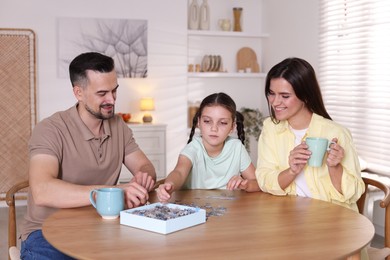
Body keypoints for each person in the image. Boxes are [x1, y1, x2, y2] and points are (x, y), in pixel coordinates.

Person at [20, 52, 156, 259]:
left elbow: (145, 166)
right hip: (46, 233)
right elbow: (42, 190)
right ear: (79, 93)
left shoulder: (118, 125)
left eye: (114, 90)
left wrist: (143, 177)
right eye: (102, 93)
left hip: (101, 227)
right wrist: (115, 192)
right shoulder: (50, 129)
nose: (111, 99)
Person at [256, 57, 365, 211]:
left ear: (305, 96)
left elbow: (353, 194)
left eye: (285, 96)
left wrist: (335, 168)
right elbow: (264, 180)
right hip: (288, 218)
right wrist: (292, 171)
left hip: (333, 221)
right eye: (271, 93)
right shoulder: (270, 129)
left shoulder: (336, 133)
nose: (275, 102)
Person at [156, 92, 260, 203]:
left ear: (232, 127)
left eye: (223, 123)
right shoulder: (192, 149)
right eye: (207, 121)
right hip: (195, 208)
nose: (214, 128)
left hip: (229, 212)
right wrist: (169, 184)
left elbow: (258, 182)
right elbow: (179, 172)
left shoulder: (237, 148)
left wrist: (246, 184)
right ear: (198, 122)